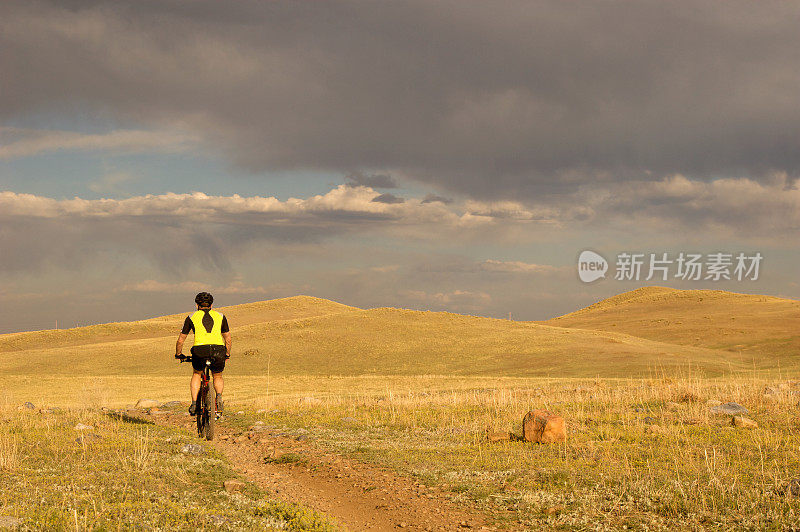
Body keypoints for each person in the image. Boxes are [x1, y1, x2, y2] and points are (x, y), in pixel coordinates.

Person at [175, 292, 231, 415]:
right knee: (217, 375)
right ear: (211, 305)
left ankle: (194, 403)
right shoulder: (221, 316)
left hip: (199, 350)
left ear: (197, 305)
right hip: (218, 350)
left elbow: (180, 340)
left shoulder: (191, 317)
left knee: (196, 373)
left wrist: (178, 354)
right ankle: (219, 397)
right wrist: (227, 354)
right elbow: (228, 339)